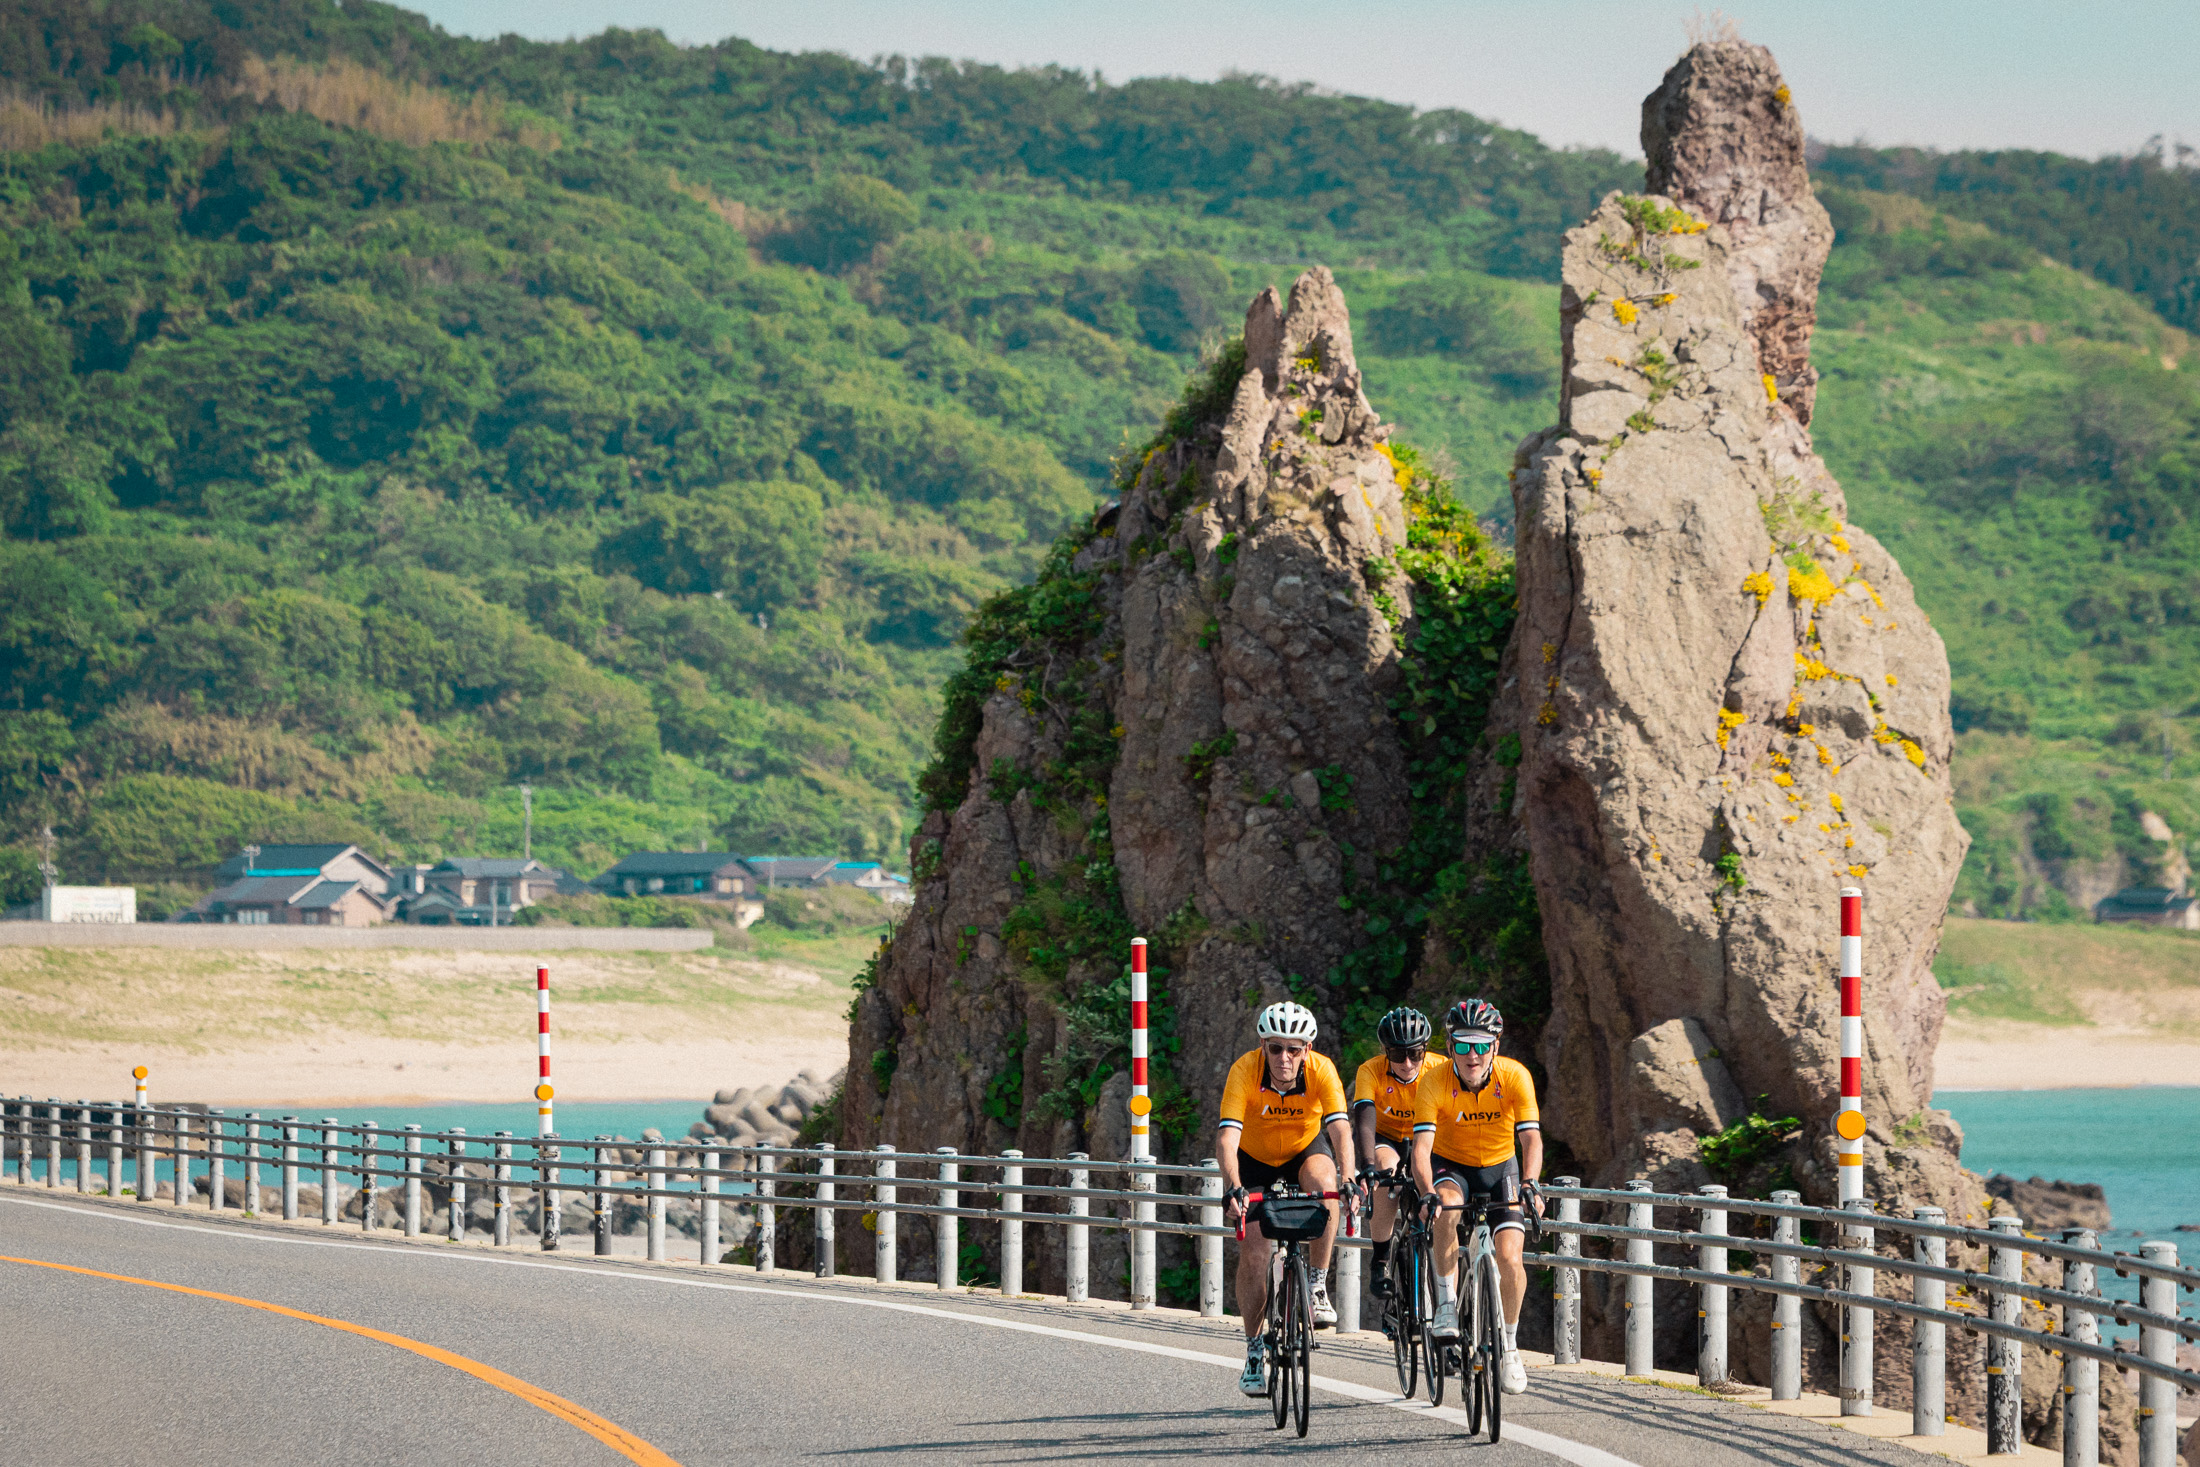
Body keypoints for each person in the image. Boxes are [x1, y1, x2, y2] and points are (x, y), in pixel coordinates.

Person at [1217, 1000, 1356, 1397]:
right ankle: (1253, 1349)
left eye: (1293, 1049)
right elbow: (1227, 1137)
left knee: (1327, 1184)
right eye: (1275, 1048)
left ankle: (1316, 1284)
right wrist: (1234, 1185)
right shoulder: (1244, 1070)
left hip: (1302, 1151)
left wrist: (1349, 1178)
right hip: (1254, 1159)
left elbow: (1340, 1131)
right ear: (1263, 1045)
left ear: (1307, 1050)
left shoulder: (1322, 1070)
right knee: (1255, 1253)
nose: (1284, 1058)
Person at [1409, 997, 1542, 1397]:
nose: (1473, 1055)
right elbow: (1421, 1150)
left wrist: (1531, 1183)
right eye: (1464, 1045)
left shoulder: (1515, 1076)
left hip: (1502, 1169)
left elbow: (1531, 1139)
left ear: (1495, 1047)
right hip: (1452, 1167)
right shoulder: (1434, 1081)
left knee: (1511, 1259)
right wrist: (1427, 1192)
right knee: (1446, 1209)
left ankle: (1510, 1347)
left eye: (1482, 1045)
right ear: (1450, 1047)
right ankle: (1446, 1303)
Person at [1350, 1006, 1432, 1306]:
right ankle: (1381, 1259)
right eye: (1398, 1055)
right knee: (1388, 1174)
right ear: (1386, 1052)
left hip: (1426, 1137)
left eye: (1415, 1054)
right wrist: (1368, 1166)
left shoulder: (1440, 1069)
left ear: (1425, 1050)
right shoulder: (1370, 1071)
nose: (1407, 1063)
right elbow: (1364, 1118)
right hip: (1385, 1138)